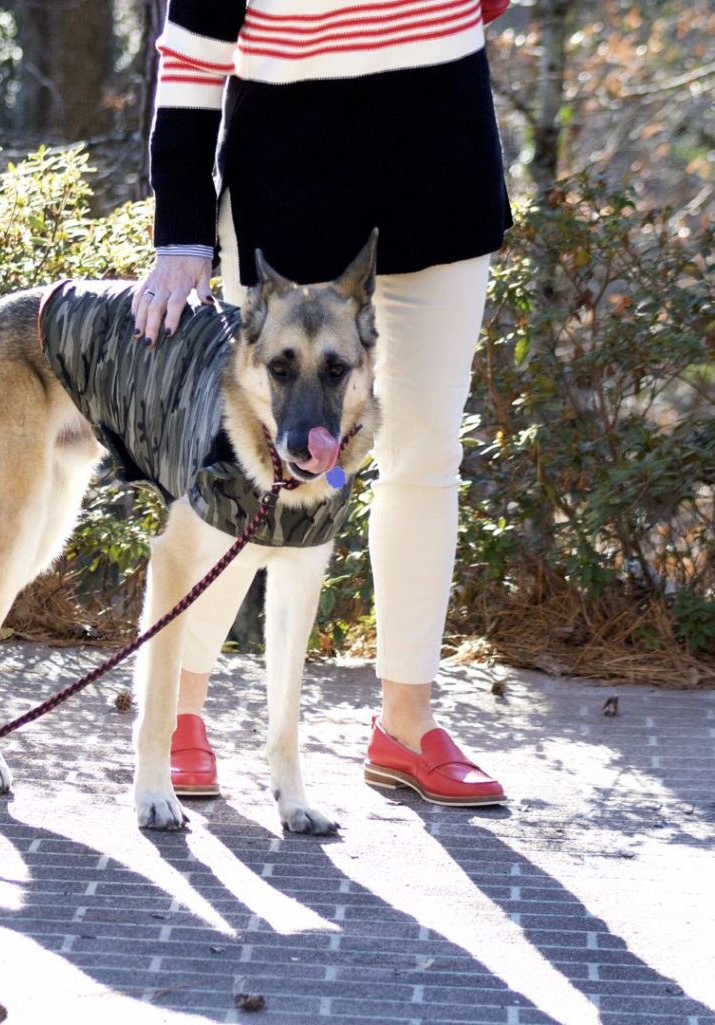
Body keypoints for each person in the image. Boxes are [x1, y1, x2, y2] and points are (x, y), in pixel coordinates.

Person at [131, 0, 512, 807]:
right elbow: (192, 51)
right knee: (249, 468)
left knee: (425, 451)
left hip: (440, 156)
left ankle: (405, 726)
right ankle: (181, 709)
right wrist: (181, 232)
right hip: (290, 170)